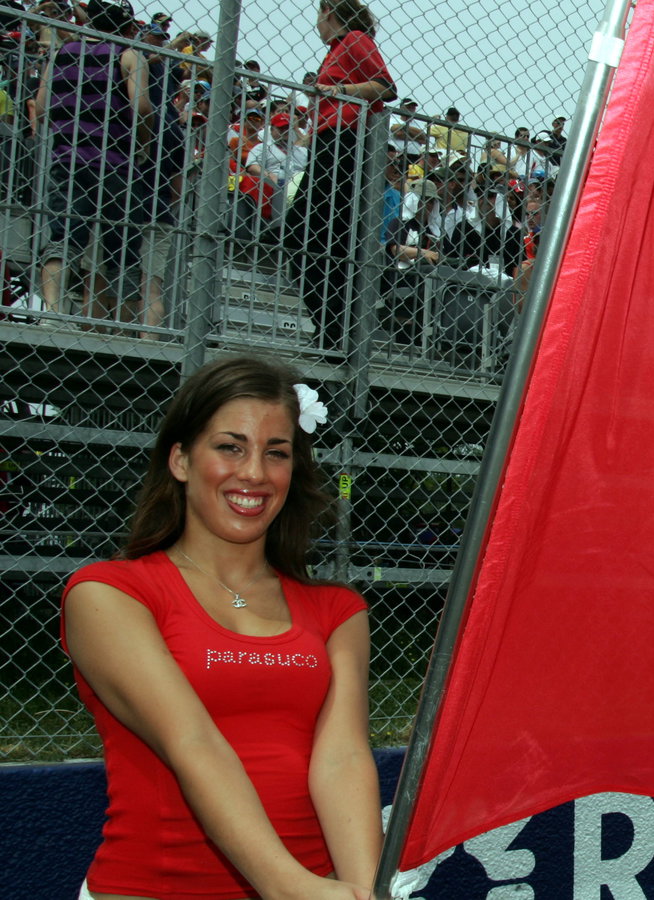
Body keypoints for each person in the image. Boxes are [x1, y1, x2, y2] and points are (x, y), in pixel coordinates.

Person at [61, 355, 380, 899]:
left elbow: (344, 758)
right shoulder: (109, 593)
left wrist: (365, 890)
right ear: (181, 460)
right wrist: (287, 887)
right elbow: (192, 741)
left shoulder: (338, 610)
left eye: (276, 452)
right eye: (230, 447)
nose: (254, 472)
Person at [32, 0, 154, 323]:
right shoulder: (128, 55)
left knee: (64, 236)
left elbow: (42, 108)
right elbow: (142, 107)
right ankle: (123, 325)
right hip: (117, 160)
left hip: (68, 157)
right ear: (127, 27)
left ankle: (52, 312)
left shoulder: (63, 52)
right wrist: (143, 143)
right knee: (123, 248)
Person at [289, 0, 395, 354]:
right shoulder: (337, 48)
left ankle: (333, 331)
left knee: (313, 233)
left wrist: (342, 91)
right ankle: (332, 329)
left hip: (343, 142)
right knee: (315, 236)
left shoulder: (353, 39)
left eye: (319, 16)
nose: (316, 24)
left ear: (329, 13)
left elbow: (385, 86)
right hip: (328, 142)